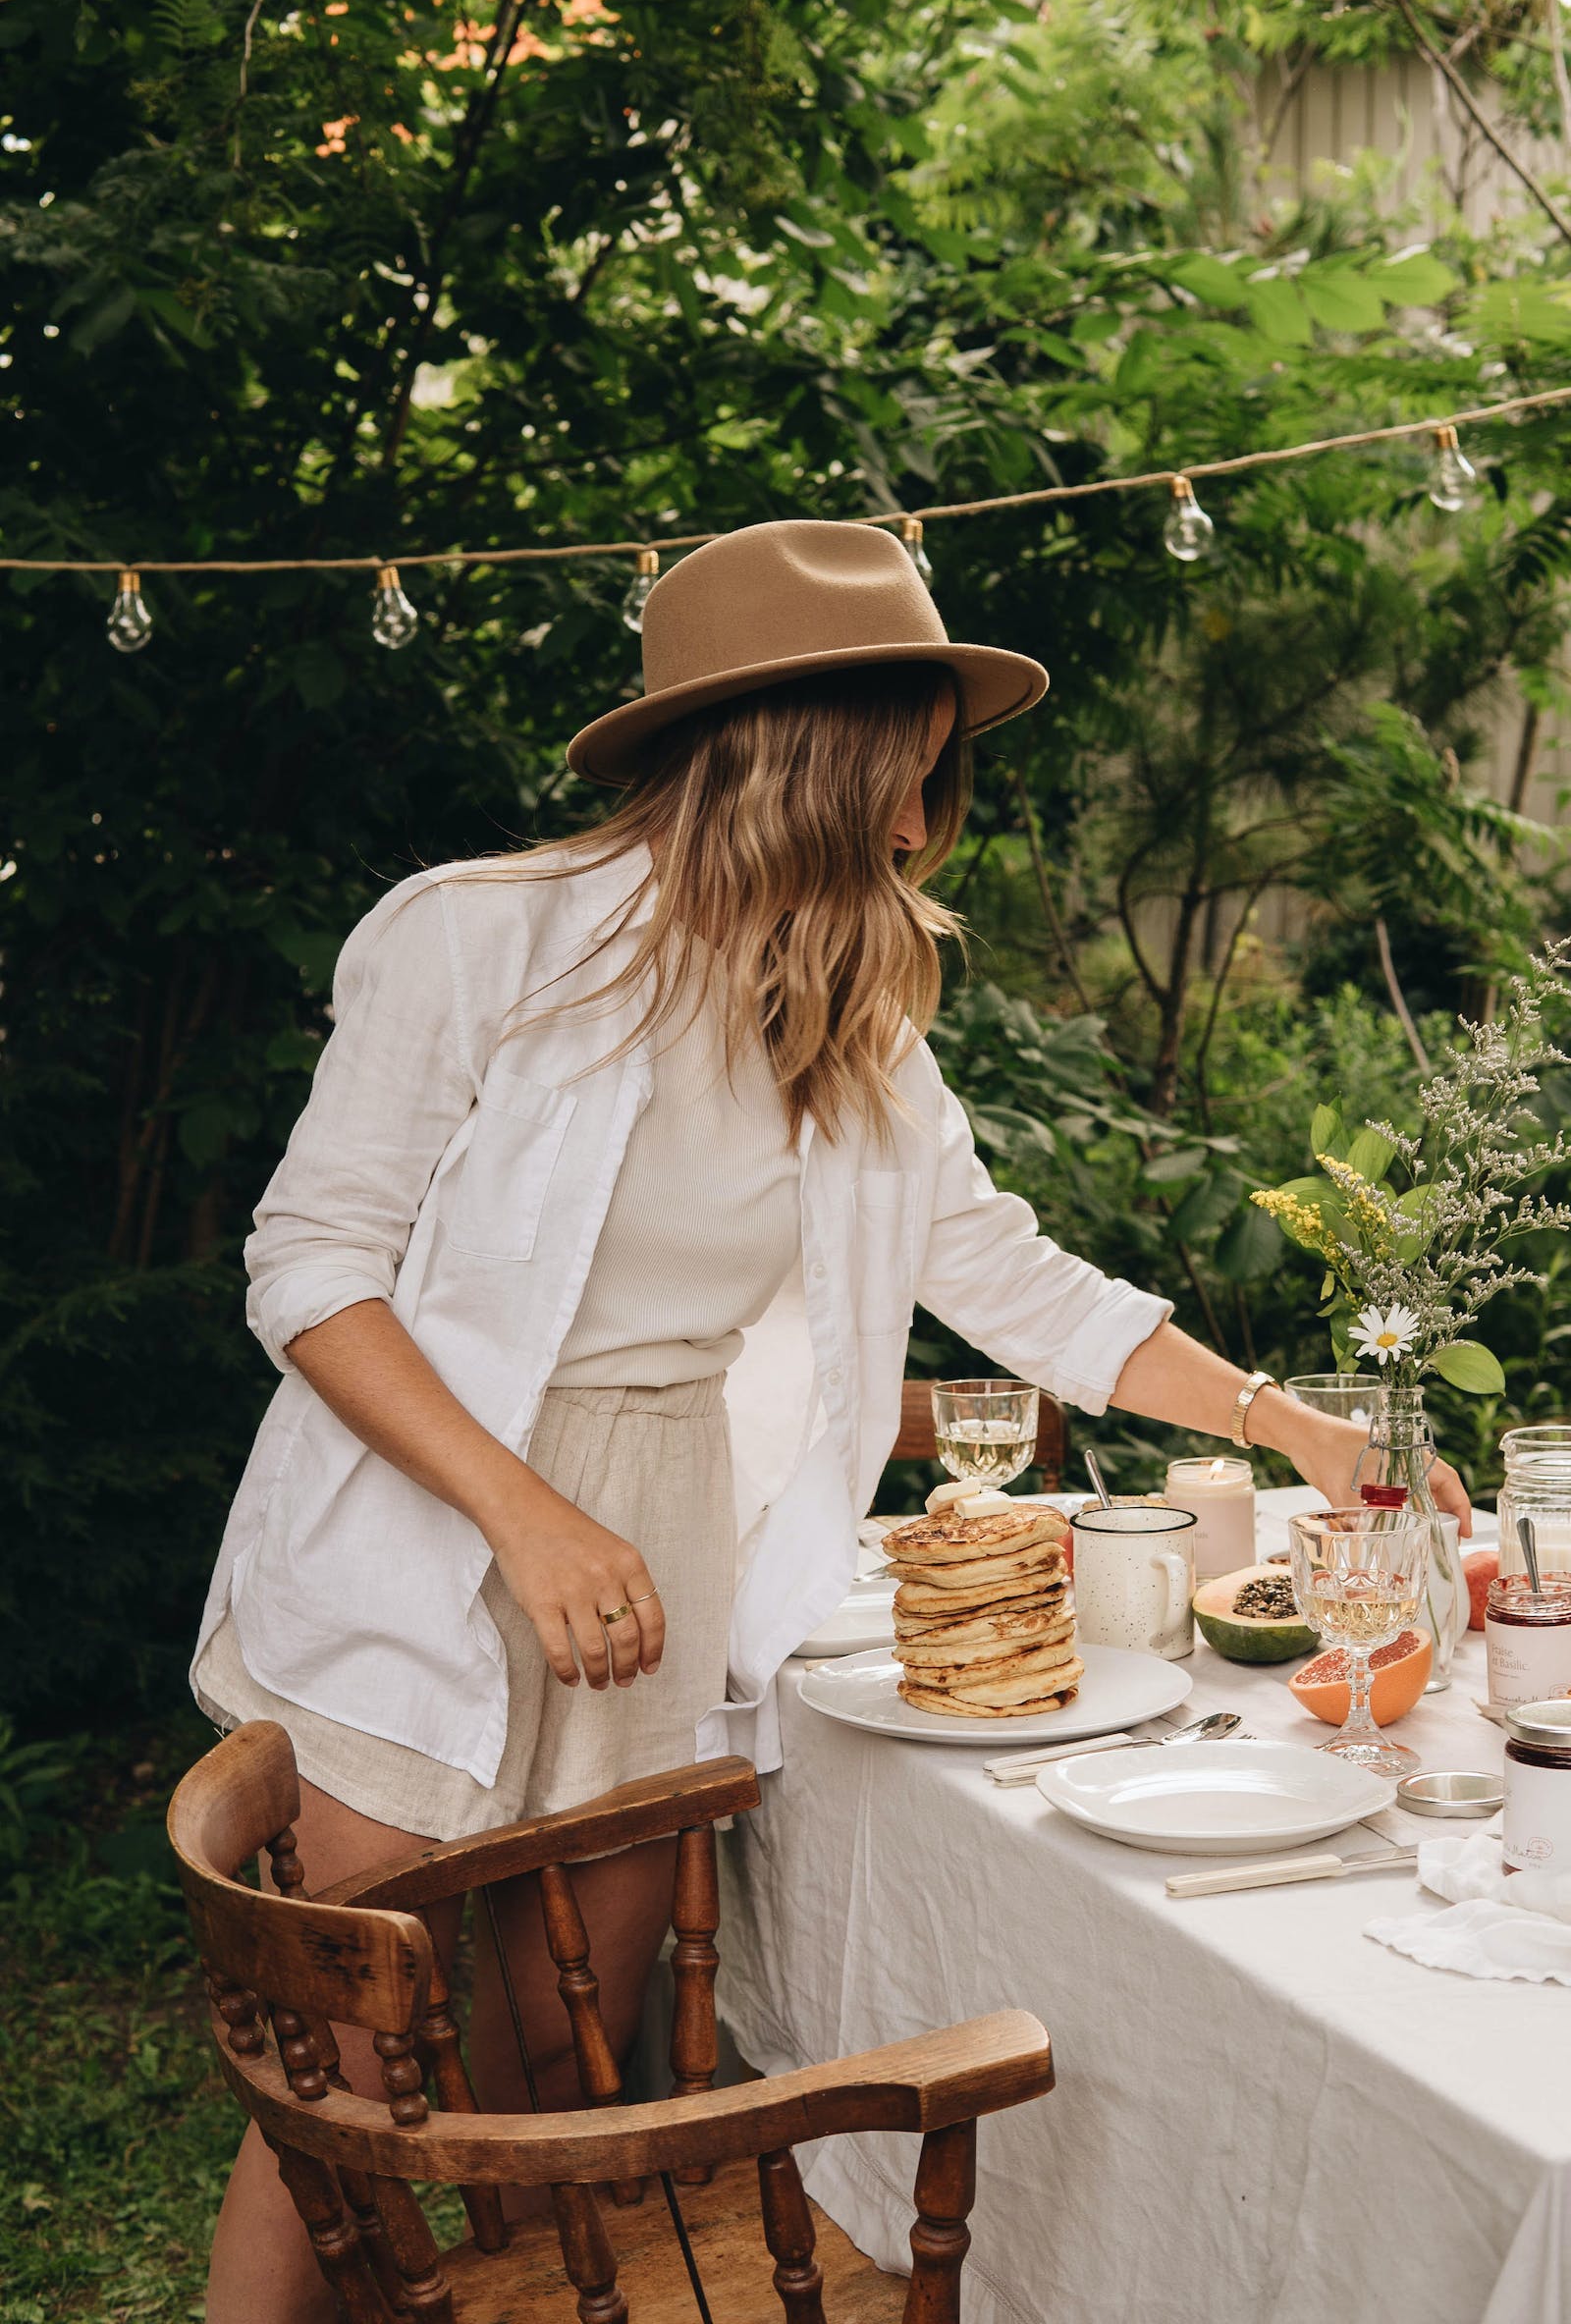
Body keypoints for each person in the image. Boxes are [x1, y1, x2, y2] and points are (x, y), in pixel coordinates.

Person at [192, 517, 1471, 2320]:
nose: (928, 814)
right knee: (342, 2085)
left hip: (667, 1530)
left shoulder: (852, 1009)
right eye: (908, 767)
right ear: (801, 752)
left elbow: (1013, 1277)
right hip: (425, 1517)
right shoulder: (476, 941)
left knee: (566, 2049)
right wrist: (522, 1516)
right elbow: (310, 1263)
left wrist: (1294, 1426)